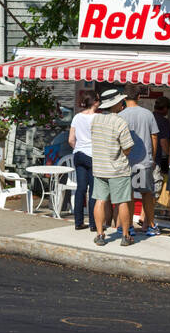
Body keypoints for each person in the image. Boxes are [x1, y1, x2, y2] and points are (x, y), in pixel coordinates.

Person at [90, 89, 135, 246]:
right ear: (115, 104)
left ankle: (100, 234)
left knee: (100, 200)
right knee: (122, 201)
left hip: (99, 167)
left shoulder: (95, 120)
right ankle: (125, 236)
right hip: (118, 169)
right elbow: (127, 148)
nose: (122, 104)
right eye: (120, 102)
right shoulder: (120, 122)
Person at [120, 86, 161, 236]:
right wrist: (153, 157)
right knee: (147, 195)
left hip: (126, 162)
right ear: (139, 97)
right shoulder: (148, 114)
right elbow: (154, 137)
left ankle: (128, 225)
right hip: (144, 161)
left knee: (127, 195)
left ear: (124, 98)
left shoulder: (120, 115)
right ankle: (150, 225)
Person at [67, 91, 100, 231]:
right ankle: (93, 223)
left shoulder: (77, 117)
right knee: (93, 191)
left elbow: (70, 139)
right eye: (98, 99)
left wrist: (78, 148)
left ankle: (78, 222)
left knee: (80, 189)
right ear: (94, 102)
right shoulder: (98, 118)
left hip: (79, 154)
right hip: (93, 156)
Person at [152, 96, 170, 195]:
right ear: (164, 108)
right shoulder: (163, 121)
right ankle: (151, 210)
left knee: (143, 190)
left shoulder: (148, 117)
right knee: (155, 190)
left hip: (142, 159)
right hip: (156, 159)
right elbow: (163, 142)